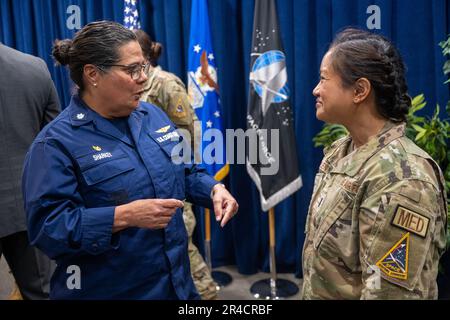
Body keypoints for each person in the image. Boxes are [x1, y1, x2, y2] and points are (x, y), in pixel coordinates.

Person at [22, 21, 238, 300]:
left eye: (144, 67)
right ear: (92, 74)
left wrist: (212, 189)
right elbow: (48, 229)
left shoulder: (152, 116)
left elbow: (185, 171)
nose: (143, 78)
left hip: (177, 287)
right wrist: (123, 216)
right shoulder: (54, 144)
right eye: (131, 70)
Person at [302, 28, 447, 300]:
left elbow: (388, 293)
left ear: (359, 91)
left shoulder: (402, 180)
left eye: (323, 79)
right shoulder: (341, 151)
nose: (315, 90)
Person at [134, 29, 219, 300]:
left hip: (171, 183)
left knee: (182, 247)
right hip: (145, 188)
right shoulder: (129, 89)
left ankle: (207, 294)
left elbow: (187, 137)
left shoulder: (166, 84)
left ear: (145, 56)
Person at [0, 43, 60, 300]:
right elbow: (55, 143)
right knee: (44, 294)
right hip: (30, 206)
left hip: (31, 208)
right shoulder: (34, 67)